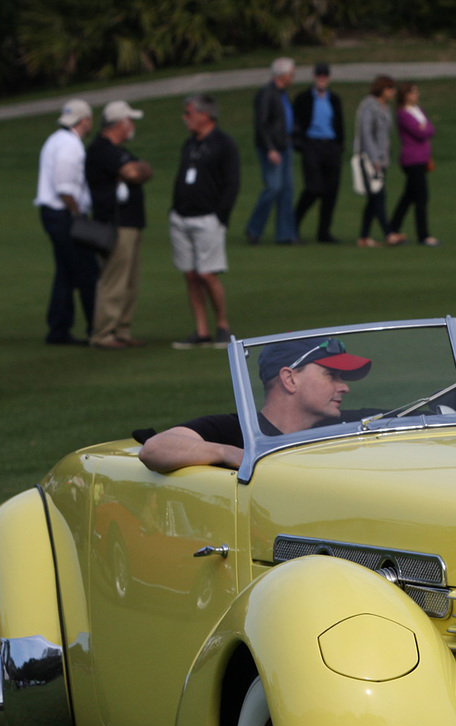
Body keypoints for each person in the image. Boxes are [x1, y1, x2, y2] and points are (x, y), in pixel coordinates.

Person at [140, 337, 373, 472]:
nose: (345, 387)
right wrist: (235, 455)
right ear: (290, 379)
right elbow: (154, 449)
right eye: (332, 375)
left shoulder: (353, 425)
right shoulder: (235, 431)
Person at [169, 94, 240, 350]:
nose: (185, 118)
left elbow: (232, 183)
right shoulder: (190, 144)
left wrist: (221, 216)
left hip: (207, 217)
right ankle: (201, 330)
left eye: (189, 113)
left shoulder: (224, 144)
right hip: (181, 217)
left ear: (204, 115)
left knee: (207, 274)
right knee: (190, 275)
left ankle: (222, 324)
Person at [85, 100, 153, 350]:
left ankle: (121, 330)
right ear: (119, 124)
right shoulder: (103, 149)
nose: (132, 126)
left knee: (129, 282)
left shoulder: (119, 151)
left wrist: (137, 169)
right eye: (130, 121)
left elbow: (143, 170)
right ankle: (103, 333)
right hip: (115, 224)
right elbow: (134, 173)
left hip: (130, 223)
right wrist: (136, 170)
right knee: (114, 280)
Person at [35, 98, 98, 347]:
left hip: (52, 213)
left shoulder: (54, 139)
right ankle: (96, 327)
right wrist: (77, 214)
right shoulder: (71, 146)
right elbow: (64, 188)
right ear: (84, 121)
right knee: (86, 271)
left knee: (66, 272)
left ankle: (58, 328)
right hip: (63, 215)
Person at [245, 57, 298, 245]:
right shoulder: (267, 93)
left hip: (285, 145)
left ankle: (285, 235)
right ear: (282, 75)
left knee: (287, 190)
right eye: (291, 74)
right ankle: (253, 228)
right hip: (273, 148)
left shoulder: (282, 93)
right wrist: (270, 148)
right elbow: (262, 124)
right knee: (273, 187)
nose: (293, 77)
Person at [291, 62, 344, 244]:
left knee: (331, 192)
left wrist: (339, 147)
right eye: (319, 75)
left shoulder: (334, 99)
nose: (322, 79)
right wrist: (300, 144)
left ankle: (324, 232)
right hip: (311, 145)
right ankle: (293, 226)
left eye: (325, 76)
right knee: (313, 188)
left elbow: (340, 125)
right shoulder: (303, 98)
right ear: (314, 77)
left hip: (330, 146)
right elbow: (296, 123)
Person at [389, 83, 438, 247]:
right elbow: (420, 132)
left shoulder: (419, 110)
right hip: (412, 160)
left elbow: (430, 129)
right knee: (421, 197)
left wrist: (425, 128)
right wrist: (424, 128)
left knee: (408, 197)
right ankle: (423, 235)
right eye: (413, 92)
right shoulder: (403, 114)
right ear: (406, 95)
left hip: (423, 159)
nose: (417, 95)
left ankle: (392, 229)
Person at [354, 75, 400, 248]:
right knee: (379, 196)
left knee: (374, 199)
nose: (393, 92)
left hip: (382, 158)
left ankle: (364, 237)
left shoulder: (385, 107)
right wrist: (374, 158)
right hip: (371, 160)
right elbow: (366, 133)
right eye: (390, 88)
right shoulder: (369, 105)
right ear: (382, 89)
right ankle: (389, 233)